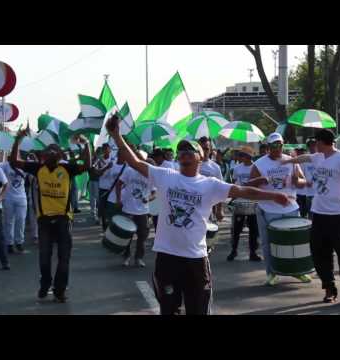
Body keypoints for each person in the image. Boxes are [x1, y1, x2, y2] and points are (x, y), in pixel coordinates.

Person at [105, 113, 290, 315]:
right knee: (168, 310)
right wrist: (115, 135)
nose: (184, 153)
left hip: (195, 259)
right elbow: (134, 162)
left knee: (198, 311)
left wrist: (273, 195)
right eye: (181, 150)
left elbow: (243, 191)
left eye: (189, 150)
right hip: (167, 258)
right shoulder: (166, 176)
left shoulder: (210, 185)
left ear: (200, 157)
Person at [281, 129, 340, 305]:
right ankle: (329, 288)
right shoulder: (318, 157)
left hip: (338, 215)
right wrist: (287, 160)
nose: (314, 145)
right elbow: (303, 158)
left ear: (322, 142)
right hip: (318, 214)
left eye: (316, 142)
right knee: (319, 254)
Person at [11, 131, 91, 303]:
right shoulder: (38, 169)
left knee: (64, 258)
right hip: (44, 220)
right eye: (49, 151)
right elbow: (14, 162)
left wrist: (87, 145)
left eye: (55, 151)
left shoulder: (67, 169)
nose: (52, 153)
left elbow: (86, 165)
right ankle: (45, 284)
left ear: (60, 156)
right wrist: (18, 140)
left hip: (64, 219)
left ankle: (59, 290)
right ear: (43, 156)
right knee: (44, 257)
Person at [247, 132, 311, 286]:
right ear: (268, 147)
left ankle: (297, 271)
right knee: (268, 242)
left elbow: (301, 180)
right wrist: (260, 180)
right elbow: (249, 184)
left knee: (294, 242)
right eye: (274, 145)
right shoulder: (259, 164)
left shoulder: (291, 160)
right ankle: (272, 273)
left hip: (290, 208)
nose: (278, 148)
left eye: (280, 145)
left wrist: (299, 181)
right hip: (268, 209)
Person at [116, 152, 155, 268]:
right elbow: (119, 184)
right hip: (128, 209)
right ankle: (126, 257)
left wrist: (148, 198)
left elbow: (154, 193)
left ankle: (138, 258)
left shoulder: (151, 176)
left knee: (142, 236)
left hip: (143, 211)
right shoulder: (129, 171)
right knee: (126, 235)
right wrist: (118, 199)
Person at [228, 146, 261, 262]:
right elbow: (235, 183)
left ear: (249, 156)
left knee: (253, 228)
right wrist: (233, 199)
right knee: (236, 228)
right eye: (240, 155)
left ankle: (253, 252)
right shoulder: (237, 168)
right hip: (241, 201)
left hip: (253, 200)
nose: (241, 157)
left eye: (243, 155)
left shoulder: (256, 167)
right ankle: (234, 250)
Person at [1, 156, 28, 254]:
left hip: (21, 197)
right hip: (8, 197)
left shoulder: (23, 165)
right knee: (9, 221)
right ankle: (9, 244)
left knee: (21, 219)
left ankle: (19, 242)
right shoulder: (4, 166)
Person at [97, 143, 114, 231]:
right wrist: (106, 167)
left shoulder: (113, 159)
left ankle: (111, 226)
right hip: (103, 188)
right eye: (104, 149)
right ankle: (105, 227)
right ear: (102, 150)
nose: (106, 151)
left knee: (110, 208)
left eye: (107, 149)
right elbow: (98, 173)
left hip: (112, 188)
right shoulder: (99, 160)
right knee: (103, 208)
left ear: (110, 150)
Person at [88, 150, 101, 224]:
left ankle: (98, 214)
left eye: (96, 153)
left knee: (97, 197)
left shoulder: (99, 161)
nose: (94, 155)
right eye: (94, 153)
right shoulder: (91, 161)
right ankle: (93, 213)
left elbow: (98, 171)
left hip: (97, 181)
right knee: (91, 198)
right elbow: (89, 169)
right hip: (91, 181)